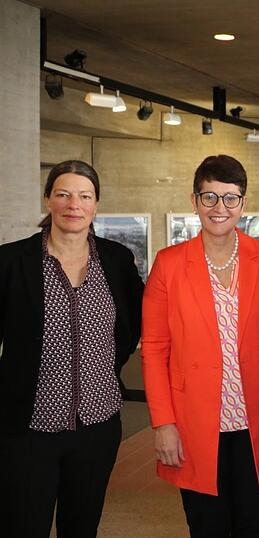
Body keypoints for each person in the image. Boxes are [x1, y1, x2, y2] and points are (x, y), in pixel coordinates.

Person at [142, 155, 259, 537]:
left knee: (257, 524)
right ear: (194, 201)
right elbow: (156, 349)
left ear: (242, 203)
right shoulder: (170, 264)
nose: (219, 208)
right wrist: (163, 423)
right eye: (209, 197)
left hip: (258, 421)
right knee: (207, 526)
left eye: (230, 198)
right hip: (194, 424)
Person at [0, 160, 143, 537]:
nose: (73, 204)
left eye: (84, 196)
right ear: (48, 199)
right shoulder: (10, 262)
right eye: (62, 194)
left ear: (96, 205)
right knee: (22, 526)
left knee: (82, 528)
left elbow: (129, 327)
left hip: (98, 426)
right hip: (29, 428)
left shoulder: (116, 260)